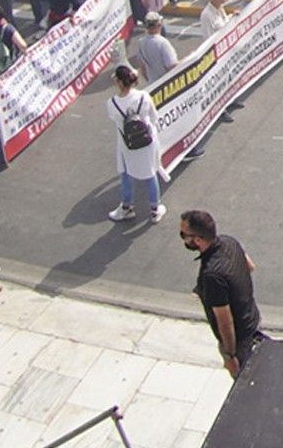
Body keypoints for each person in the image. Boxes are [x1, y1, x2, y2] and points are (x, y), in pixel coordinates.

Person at [180, 209, 262, 378]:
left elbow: (225, 322)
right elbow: (250, 267)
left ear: (197, 239)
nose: (183, 239)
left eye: (183, 235)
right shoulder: (229, 242)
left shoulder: (213, 277)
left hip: (239, 340)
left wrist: (230, 356)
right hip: (252, 318)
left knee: (245, 382)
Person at [106, 66, 167, 225]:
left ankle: (126, 207)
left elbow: (115, 120)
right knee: (150, 173)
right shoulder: (144, 97)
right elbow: (154, 116)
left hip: (127, 144)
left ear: (119, 82)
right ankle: (155, 209)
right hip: (148, 142)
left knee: (126, 173)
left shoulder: (112, 104)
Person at [128, 12, 181, 84]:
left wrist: (150, 81)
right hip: (167, 84)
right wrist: (188, 59)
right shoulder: (163, 43)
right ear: (159, 25)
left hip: (153, 84)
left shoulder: (140, 42)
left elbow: (142, 67)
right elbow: (172, 66)